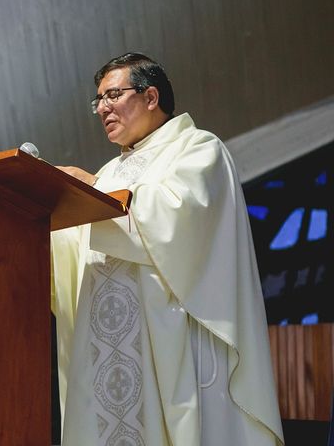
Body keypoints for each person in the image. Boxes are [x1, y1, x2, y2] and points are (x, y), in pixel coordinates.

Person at [51, 52, 284, 446]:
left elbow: (179, 217)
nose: (102, 108)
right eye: (99, 101)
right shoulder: (109, 173)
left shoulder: (196, 148)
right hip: (110, 350)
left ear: (151, 96)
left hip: (174, 340)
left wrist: (91, 190)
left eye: (112, 95)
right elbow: (79, 251)